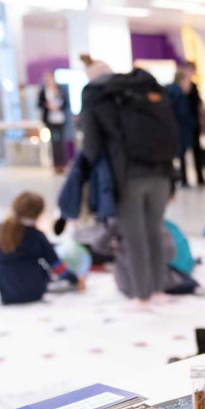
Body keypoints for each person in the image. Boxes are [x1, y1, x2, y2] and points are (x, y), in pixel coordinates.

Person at [81, 65, 178, 310]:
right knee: (154, 230)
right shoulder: (144, 93)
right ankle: (158, 289)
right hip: (161, 174)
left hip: (128, 177)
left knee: (134, 237)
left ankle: (141, 295)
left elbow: (91, 146)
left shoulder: (98, 99)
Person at [0, 192, 83, 305]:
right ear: (38, 213)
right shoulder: (38, 236)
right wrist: (76, 280)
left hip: (7, 294)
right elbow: (57, 266)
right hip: (36, 291)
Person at [166, 69, 199, 188]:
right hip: (180, 129)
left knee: (180, 155)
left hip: (178, 128)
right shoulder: (178, 93)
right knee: (181, 154)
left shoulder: (172, 92)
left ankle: (181, 179)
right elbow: (182, 113)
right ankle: (183, 179)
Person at [178, 60, 205, 186]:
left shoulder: (194, 86)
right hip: (183, 124)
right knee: (182, 152)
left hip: (193, 123)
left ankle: (200, 178)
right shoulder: (178, 87)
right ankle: (184, 179)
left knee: (197, 151)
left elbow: (198, 104)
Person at [37, 70, 71, 175]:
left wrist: (58, 107)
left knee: (61, 142)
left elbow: (66, 103)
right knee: (55, 142)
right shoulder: (43, 91)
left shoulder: (61, 89)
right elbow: (39, 104)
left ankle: (63, 164)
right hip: (51, 121)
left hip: (60, 119)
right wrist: (48, 106)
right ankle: (57, 164)